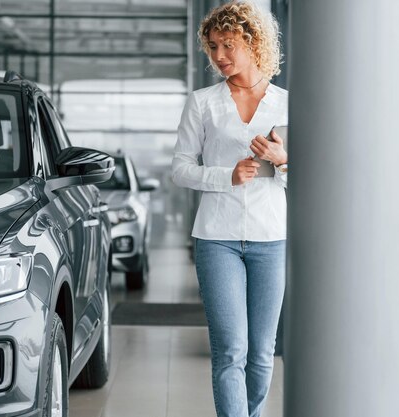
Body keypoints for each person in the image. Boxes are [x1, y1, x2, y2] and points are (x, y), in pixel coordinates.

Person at [171, 2, 288, 416]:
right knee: (230, 349)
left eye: (228, 45)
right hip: (216, 239)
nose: (219, 56)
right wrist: (226, 176)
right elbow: (180, 170)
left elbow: (313, 183)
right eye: (213, 47)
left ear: (254, 43)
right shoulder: (202, 103)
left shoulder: (287, 104)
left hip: (271, 238)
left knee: (260, 353)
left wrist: (283, 159)